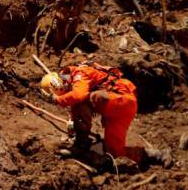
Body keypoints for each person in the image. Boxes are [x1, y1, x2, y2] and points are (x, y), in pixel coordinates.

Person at [42, 63, 172, 167]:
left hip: (119, 101)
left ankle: (81, 144)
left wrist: (56, 100)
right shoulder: (81, 76)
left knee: (84, 99)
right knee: (115, 152)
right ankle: (157, 155)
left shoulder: (79, 73)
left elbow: (79, 95)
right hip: (124, 107)